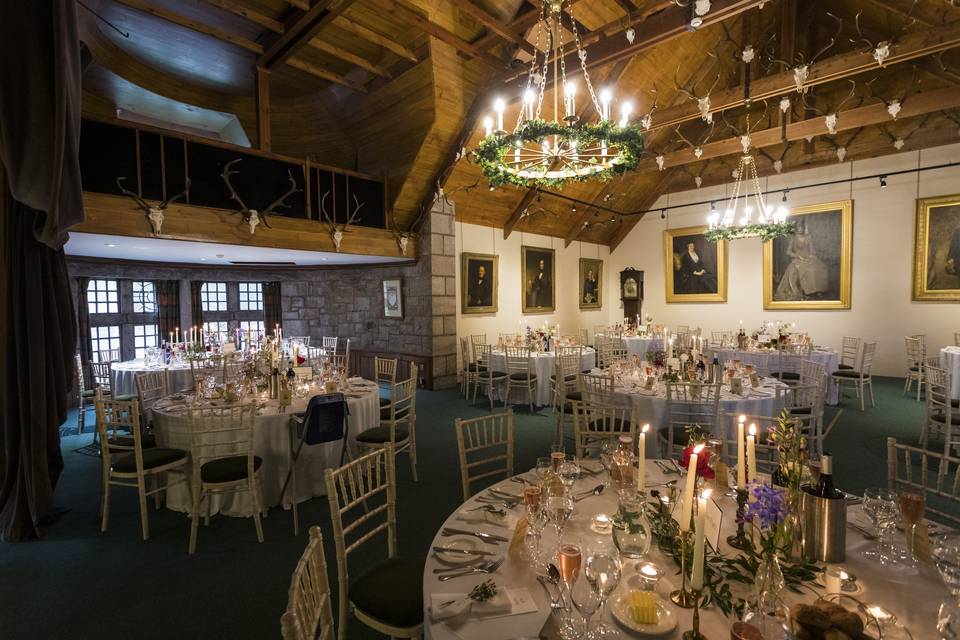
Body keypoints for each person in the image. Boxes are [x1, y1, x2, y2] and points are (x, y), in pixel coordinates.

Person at [775, 221, 829, 300]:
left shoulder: (808, 237)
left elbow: (812, 249)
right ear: (796, 228)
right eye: (799, 227)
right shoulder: (793, 239)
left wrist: (812, 254)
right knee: (803, 270)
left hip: (808, 257)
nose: (800, 229)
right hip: (798, 259)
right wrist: (798, 256)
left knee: (820, 268)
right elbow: (788, 251)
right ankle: (807, 291)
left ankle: (817, 290)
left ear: (803, 228)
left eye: (801, 227)